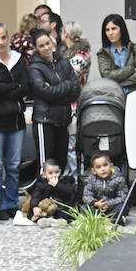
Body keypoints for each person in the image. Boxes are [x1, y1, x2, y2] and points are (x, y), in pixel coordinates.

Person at [0, 22, 30, 211]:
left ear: (8, 37)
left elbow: (26, 86)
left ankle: (10, 203)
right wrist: (13, 87)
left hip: (16, 120)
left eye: (3, 37)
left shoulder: (19, 59)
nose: (1, 42)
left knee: (14, 164)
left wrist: (1, 87)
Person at [29, 28, 80, 178]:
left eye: (48, 43)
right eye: (41, 45)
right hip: (45, 120)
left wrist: (58, 90)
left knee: (61, 164)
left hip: (63, 121)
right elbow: (45, 93)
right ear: (36, 48)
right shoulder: (35, 68)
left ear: (53, 43)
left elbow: (76, 90)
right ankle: (43, 199)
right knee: (46, 166)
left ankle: (56, 199)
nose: (46, 48)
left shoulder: (64, 63)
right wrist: (67, 86)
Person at [95, 13, 136, 92]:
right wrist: (130, 69)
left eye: (114, 28)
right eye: (107, 30)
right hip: (114, 95)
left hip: (135, 94)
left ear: (121, 29)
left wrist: (118, 83)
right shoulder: (103, 53)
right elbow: (107, 76)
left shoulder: (135, 48)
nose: (110, 33)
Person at [81, 152, 127, 220]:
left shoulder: (119, 179)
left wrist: (108, 204)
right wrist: (95, 203)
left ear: (111, 166)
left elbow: (123, 197)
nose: (103, 169)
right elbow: (86, 195)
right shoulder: (91, 179)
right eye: (98, 167)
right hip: (97, 206)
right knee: (84, 208)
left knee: (123, 207)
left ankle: (111, 219)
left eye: (105, 165)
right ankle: (99, 219)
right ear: (94, 171)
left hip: (112, 206)